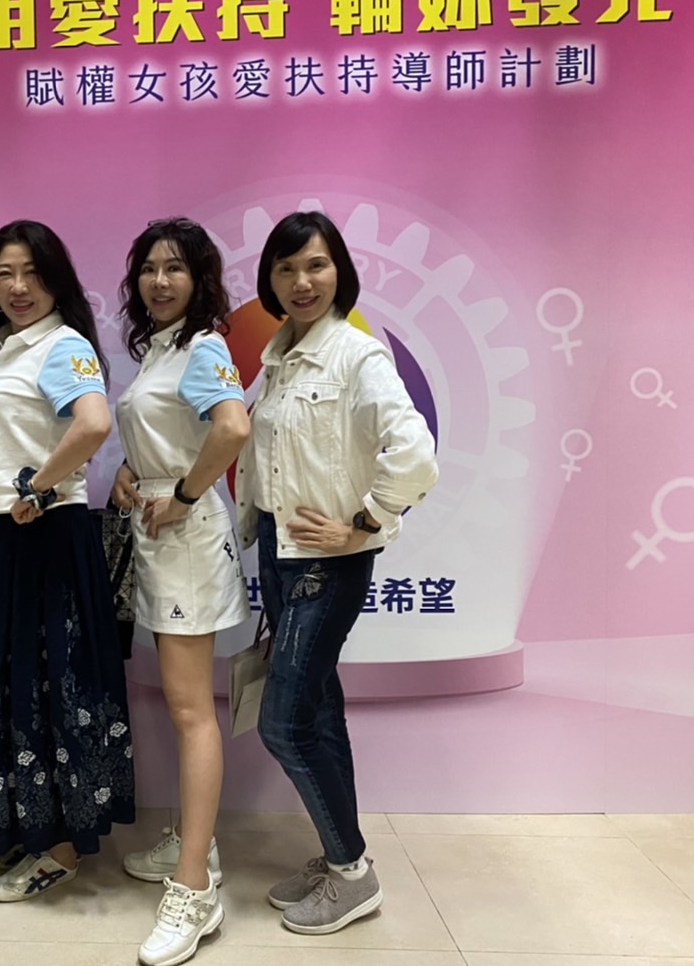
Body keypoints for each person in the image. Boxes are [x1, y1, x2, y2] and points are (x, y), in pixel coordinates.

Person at [236, 210, 437, 936]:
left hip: (328, 565)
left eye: (315, 265)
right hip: (281, 554)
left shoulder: (357, 355)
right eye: (286, 268)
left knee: (284, 723)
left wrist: (366, 521)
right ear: (270, 279)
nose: (302, 281)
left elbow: (414, 454)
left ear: (339, 272)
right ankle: (338, 855)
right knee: (319, 712)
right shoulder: (280, 358)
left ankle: (353, 874)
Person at [0, 219, 135, 903]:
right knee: (8, 684)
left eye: (32, 272)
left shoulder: (63, 344)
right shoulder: (1, 349)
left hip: (46, 535)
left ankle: (61, 849)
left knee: (52, 685)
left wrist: (39, 486)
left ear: (56, 280)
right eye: (5, 273)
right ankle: (24, 827)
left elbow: (94, 423)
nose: (18, 286)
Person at [110, 217, 251, 966]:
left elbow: (231, 428)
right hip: (161, 531)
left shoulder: (203, 347)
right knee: (181, 704)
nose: (159, 282)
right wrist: (133, 471)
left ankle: (194, 887)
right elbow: (173, 433)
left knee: (193, 711)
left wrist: (187, 495)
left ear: (199, 280)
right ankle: (197, 846)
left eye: (175, 269)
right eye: (148, 269)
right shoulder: (163, 348)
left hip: (186, 540)